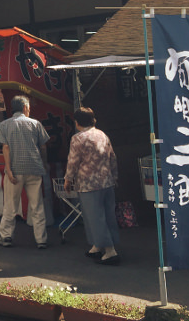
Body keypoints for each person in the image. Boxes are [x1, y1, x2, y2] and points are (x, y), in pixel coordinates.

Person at [64, 107, 120, 265]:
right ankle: (97, 246)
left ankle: (110, 251)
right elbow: (112, 157)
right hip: (107, 181)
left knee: (94, 218)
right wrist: (114, 176)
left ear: (77, 122)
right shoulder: (102, 134)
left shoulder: (78, 138)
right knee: (108, 215)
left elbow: (73, 162)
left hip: (88, 184)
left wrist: (68, 179)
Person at [0, 95, 50, 249]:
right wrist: (44, 164)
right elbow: (44, 146)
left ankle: (6, 237)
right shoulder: (35, 124)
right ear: (25, 108)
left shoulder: (4, 125)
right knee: (37, 205)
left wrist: (8, 169)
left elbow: (5, 147)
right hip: (34, 168)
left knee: (10, 205)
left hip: (15, 170)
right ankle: (41, 240)